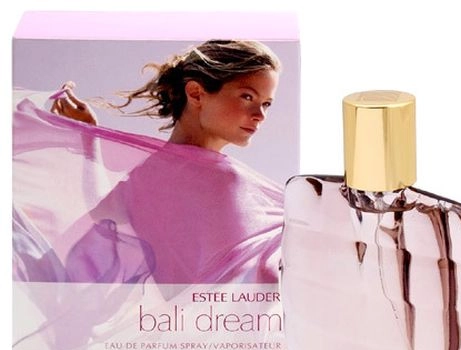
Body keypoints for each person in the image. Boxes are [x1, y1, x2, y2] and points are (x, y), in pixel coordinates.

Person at [13, 40, 284, 285]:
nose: (260, 115)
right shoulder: (223, 180)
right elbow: (104, 222)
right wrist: (88, 139)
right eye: (247, 97)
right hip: (195, 319)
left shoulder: (151, 175)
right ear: (196, 93)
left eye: (267, 104)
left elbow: (104, 223)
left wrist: (89, 141)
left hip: (175, 319)